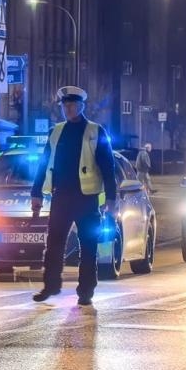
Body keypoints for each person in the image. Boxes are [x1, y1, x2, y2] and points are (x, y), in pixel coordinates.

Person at [30, 86, 118, 307]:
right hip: (61, 197)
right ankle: (50, 285)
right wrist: (36, 192)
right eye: (64, 105)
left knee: (88, 246)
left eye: (71, 105)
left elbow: (108, 166)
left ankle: (86, 290)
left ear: (81, 106)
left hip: (86, 198)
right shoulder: (56, 131)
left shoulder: (96, 131)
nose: (67, 109)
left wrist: (111, 198)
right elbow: (43, 163)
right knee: (54, 244)